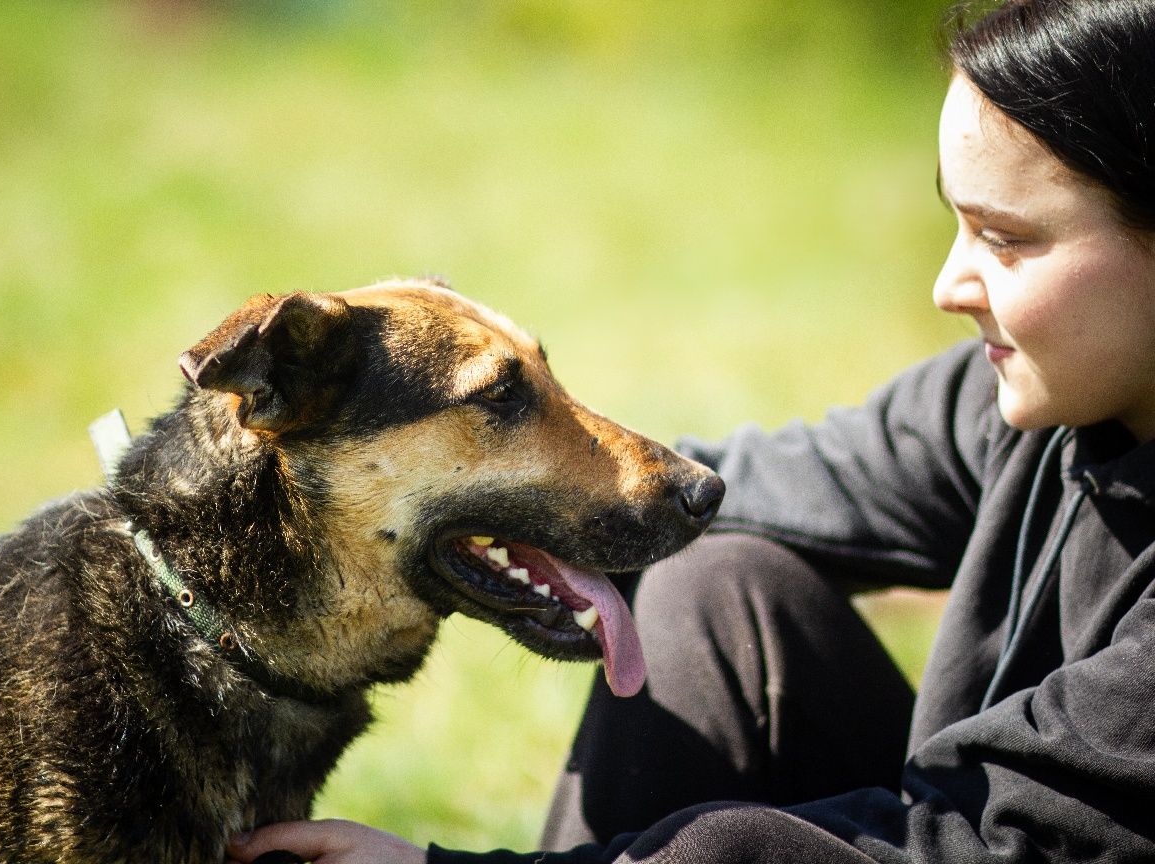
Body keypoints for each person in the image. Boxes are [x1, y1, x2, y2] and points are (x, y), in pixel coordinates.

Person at [228, 0, 1155, 861]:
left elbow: (990, 841)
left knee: (720, 846)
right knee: (715, 585)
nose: (948, 286)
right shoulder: (1031, 413)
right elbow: (743, 487)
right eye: (954, 222)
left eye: (1007, 240)